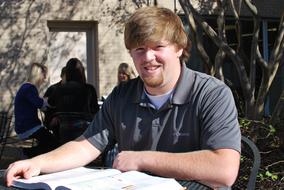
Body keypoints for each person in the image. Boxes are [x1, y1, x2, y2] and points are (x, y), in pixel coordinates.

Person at [5, 7, 241, 189]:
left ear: (179, 48)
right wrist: (37, 163)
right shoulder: (122, 95)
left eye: (158, 46)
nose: (148, 57)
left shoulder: (212, 94)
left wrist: (142, 159)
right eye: (139, 49)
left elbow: (224, 168)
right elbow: (85, 146)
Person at [47, 58, 100, 144]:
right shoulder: (89, 89)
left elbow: (49, 104)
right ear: (81, 72)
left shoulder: (59, 89)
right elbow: (95, 110)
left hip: (64, 131)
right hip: (85, 132)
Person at [14, 62, 58, 157]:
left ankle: (29, 156)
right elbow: (39, 104)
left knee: (46, 143)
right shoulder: (30, 88)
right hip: (29, 128)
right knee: (54, 144)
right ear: (38, 74)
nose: (45, 79)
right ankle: (28, 155)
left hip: (24, 127)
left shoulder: (25, 87)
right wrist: (48, 103)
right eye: (44, 75)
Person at [42, 66, 66, 136]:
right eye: (66, 76)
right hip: (52, 118)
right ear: (61, 76)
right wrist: (54, 117)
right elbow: (44, 107)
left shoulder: (73, 89)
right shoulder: (53, 89)